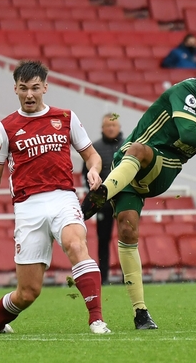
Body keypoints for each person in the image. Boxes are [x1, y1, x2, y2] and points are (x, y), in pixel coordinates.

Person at [81, 61, 196, 330]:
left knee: (139, 150)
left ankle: (102, 193)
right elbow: (187, 131)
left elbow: (189, 137)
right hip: (126, 166)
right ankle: (141, 314)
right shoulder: (186, 90)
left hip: (163, 169)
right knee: (127, 231)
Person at [0, 60, 111, 335]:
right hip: (27, 206)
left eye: (35, 88)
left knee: (75, 244)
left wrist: (94, 170)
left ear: (45, 87)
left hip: (63, 198)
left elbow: (91, 155)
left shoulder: (66, 117)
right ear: (15, 89)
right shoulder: (4, 128)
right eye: (24, 88)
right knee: (28, 293)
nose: (30, 94)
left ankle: (96, 320)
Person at [82, 113, 124, 285]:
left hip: (123, 201)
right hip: (103, 203)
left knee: (126, 239)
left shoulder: (128, 146)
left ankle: (127, 278)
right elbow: (86, 175)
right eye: (108, 125)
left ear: (119, 127)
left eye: (113, 125)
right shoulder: (95, 149)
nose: (111, 128)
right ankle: (104, 277)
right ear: (102, 128)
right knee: (103, 240)